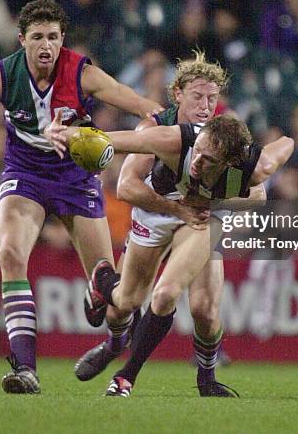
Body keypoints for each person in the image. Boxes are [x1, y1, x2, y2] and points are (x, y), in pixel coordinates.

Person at [0, 0, 161, 394]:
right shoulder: (1, 76)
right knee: (10, 253)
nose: (45, 45)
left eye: (52, 37)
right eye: (36, 37)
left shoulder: (83, 73)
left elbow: (144, 107)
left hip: (77, 178)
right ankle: (25, 368)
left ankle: (116, 338)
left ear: (62, 39)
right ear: (21, 40)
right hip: (24, 175)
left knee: (116, 301)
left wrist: (168, 131)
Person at [45, 112, 294, 397]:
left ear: (231, 162)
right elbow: (116, 140)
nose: (198, 162)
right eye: (198, 151)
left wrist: (216, 200)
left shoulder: (255, 166)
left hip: (201, 217)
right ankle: (103, 278)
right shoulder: (175, 139)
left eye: (209, 160)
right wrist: (63, 134)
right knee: (127, 300)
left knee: (168, 296)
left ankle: (126, 378)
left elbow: (287, 144)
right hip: (159, 212)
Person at [74, 51, 234, 396]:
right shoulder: (156, 127)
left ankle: (204, 379)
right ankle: (113, 335)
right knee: (124, 305)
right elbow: (127, 186)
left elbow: (257, 188)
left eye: (212, 98)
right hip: (157, 215)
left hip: (200, 221)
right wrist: (178, 211)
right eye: (197, 97)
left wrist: (226, 200)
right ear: (177, 94)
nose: (206, 106)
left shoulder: (225, 132)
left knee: (204, 310)